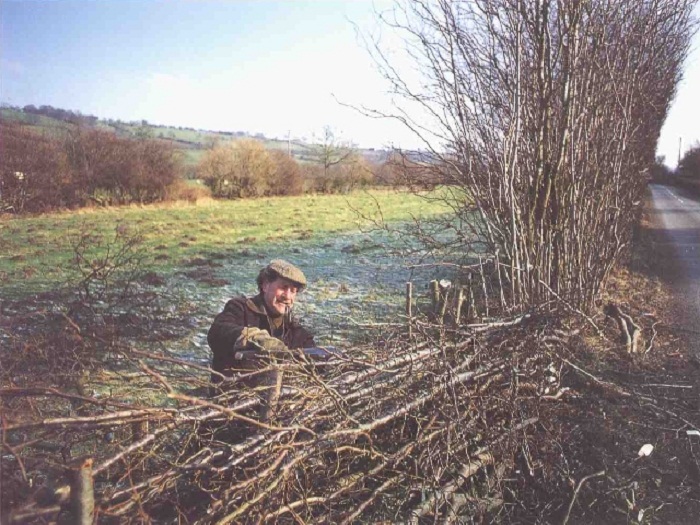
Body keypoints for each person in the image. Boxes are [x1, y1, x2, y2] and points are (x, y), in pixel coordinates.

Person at [207, 259, 315, 396]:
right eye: (283, 287)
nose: (288, 296)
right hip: (230, 400)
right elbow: (217, 333)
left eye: (293, 291)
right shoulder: (240, 309)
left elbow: (316, 360)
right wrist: (254, 338)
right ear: (265, 285)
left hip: (278, 405)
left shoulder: (296, 332)